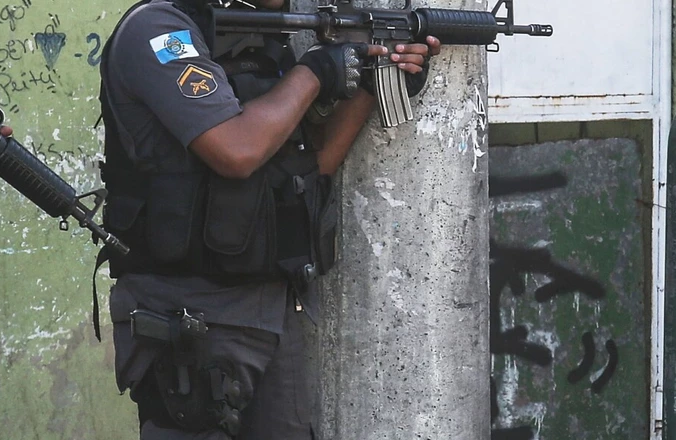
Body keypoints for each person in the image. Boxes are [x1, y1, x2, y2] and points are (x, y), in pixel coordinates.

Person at [94, 0, 440, 437]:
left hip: (270, 312)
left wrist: (375, 82)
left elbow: (312, 169)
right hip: (187, 319)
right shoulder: (158, 30)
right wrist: (315, 72)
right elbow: (237, 150)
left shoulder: (259, 38)